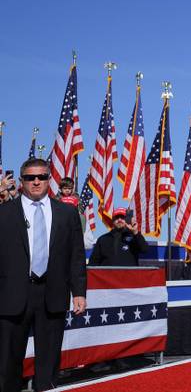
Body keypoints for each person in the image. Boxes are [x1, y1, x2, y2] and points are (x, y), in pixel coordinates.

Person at [0, 158, 87, 391]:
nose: (36, 182)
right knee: (7, 362)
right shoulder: (5, 213)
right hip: (13, 295)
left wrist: (79, 292)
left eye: (41, 177)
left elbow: (76, 255)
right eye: (30, 178)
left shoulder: (67, 213)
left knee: (48, 363)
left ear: (50, 180)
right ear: (21, 182)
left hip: (53, 292)